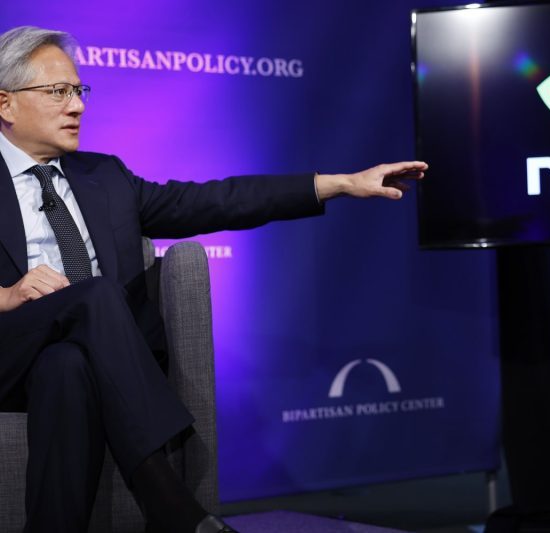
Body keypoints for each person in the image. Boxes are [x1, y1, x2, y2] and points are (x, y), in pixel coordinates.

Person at [0, 25, 427, 533]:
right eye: (58, 92)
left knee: (65, 368)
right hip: (9, 349)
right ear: (6, 103)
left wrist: (339, 184)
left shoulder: (104, 177)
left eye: (78, 91)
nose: (77, 106)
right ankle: (170, 501)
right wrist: (5, 295)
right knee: (94, 296)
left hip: (86, 361)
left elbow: (215, 200)